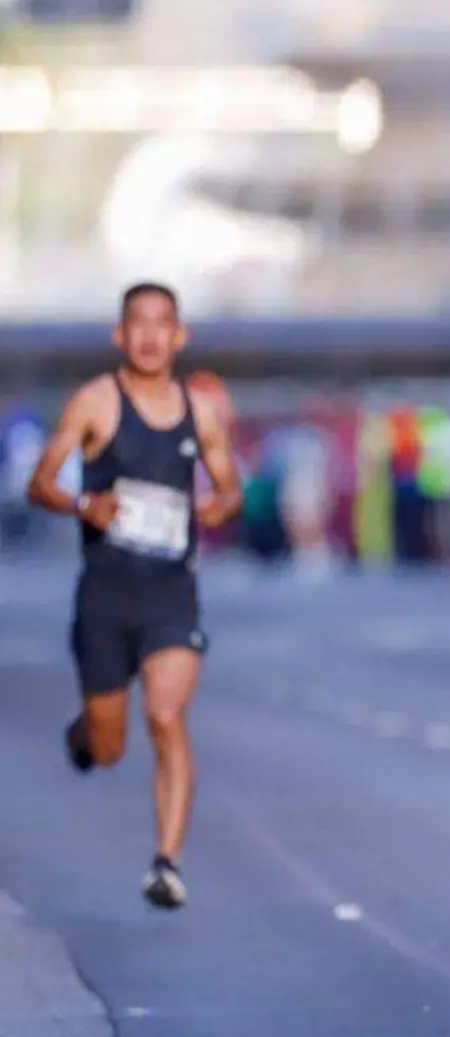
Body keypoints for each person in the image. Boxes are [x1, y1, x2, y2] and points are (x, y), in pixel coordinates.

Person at [25, 282, 243, 910]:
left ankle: (167, 863)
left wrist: (217, 504)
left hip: (171, 595)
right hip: (105, 598)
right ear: (121, 336)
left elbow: (229, 487)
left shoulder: (199, 412)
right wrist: (80, 502)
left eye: (162, 324)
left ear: (181, 337)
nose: (150, 336)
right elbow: (40, 483)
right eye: (138, 325)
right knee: (110, 745)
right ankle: (84, 737)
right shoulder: (95, 402)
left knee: (167, 716)